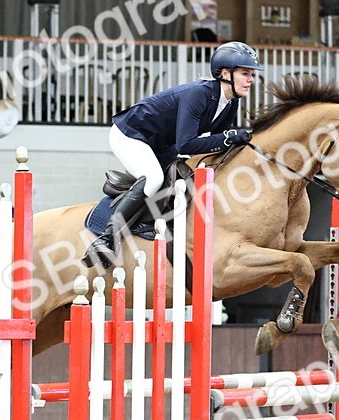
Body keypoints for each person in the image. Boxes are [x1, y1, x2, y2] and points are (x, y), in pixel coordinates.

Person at [82, 41, 260, 267]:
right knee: (154, 178)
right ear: (225, 73)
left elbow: (216, 145)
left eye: (252, 74)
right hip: (131, 134)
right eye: (245, 73)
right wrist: (229, 137)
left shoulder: (230, 103)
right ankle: (106, 238)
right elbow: (186, 144)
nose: (251, 80)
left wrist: (235, 140)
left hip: (161, 144)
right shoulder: (199, 94)